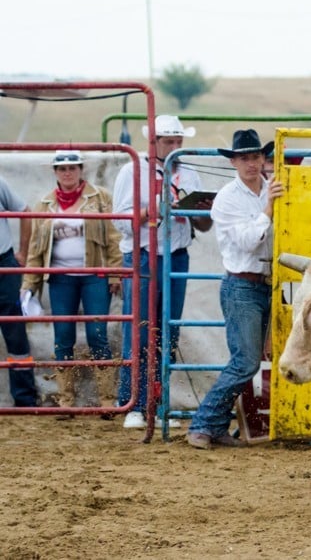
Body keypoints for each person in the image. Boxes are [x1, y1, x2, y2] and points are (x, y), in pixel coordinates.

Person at [112, 115, 213, 429]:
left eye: (178, 141)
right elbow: (120, 220)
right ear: (153, 142)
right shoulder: (132, 170)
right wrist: (151, 210)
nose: (175, 147)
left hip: (177, 253)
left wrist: (197, 210)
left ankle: (160, 401)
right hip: (142, 254)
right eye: (169, 141)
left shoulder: (190, 171)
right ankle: (133, 403)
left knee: (168, 332)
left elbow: (205, 223)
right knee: (140, 329)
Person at [187, 129, 282, 449]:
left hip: (269, 283)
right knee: (246, 361)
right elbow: (246, 241)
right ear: (234, 162)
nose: (252, 163)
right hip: (243, 283)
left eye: (256, 157)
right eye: (245, 158)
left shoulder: (272, 189)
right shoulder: (228, 198)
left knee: (250, 360)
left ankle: (213, 426)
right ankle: (202, 423)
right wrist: (268, 210)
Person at [22, 151, 122, 417]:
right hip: (59, 277)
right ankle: (66, 400)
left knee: (97, 335)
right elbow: (35, 247)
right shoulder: (45, 204)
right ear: (55, 172)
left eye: (72, 168)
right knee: (63, 337)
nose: (67, 173)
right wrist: (29, 283)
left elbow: (113, 237)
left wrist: (114, 272)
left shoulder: (100, 199)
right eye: (62, 168)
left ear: (80, 170)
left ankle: (107, 401)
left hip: (95, 275)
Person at [0, 174, 37, 407]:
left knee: (15, 330)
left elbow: (25, 210)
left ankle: (25, 398)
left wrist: (22, 253)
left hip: (3, 262)